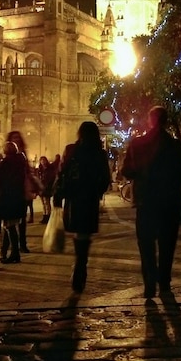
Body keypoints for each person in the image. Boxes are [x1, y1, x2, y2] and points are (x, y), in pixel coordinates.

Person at [121, 105, 181, 298]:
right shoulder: (176, 145)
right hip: (169, 202)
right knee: (167, 245)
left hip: (145, 202)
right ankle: (165, 284)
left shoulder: (137, 144)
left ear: (150, 120)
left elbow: (126, 171)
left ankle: (149, 285)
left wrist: (141, 174)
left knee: (146, 246)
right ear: (167, 121)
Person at [53, 122, 111, 294]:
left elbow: (62, 173)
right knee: (84, 232)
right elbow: (105, 178)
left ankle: (79, 263)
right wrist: (97, 192)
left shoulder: (71, 149)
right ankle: (81, 264)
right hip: (89, 198)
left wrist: (59, 195)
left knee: (78, 231)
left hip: (73, 197)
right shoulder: (99, 153)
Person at [0, 141, 27, 263]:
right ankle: (7, 252)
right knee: (10, 225)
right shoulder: (20, 162)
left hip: (8, 197)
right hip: (18, 197)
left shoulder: (7, 163)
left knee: (9, 225)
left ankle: (15, 253)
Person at [38, 155, 56, 224]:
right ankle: (44, 216)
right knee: (43, 204)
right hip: (41, 189)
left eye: (43, 160)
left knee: (47, 203)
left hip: (46, 189)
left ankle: (48, 216)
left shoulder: (49, 169)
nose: (42, 162)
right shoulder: (40, 170)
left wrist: (46, 186)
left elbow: (50, 179)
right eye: (41, 160)